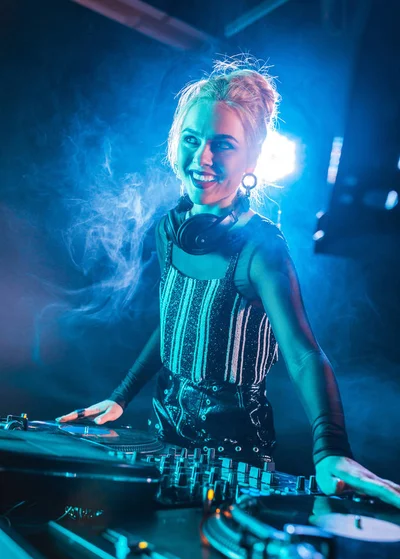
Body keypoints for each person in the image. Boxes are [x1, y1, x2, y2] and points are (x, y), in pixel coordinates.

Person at [57, 57, 400, 508]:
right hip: (163, 444)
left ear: (252, 157)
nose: (203, 158)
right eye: (192, 140)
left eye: (223, 145)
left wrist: (331, 448)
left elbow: (301, 354)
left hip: (235, 466)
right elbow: (173, 322)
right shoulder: (170, 229)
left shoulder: (261, 248)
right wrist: (122, 396)